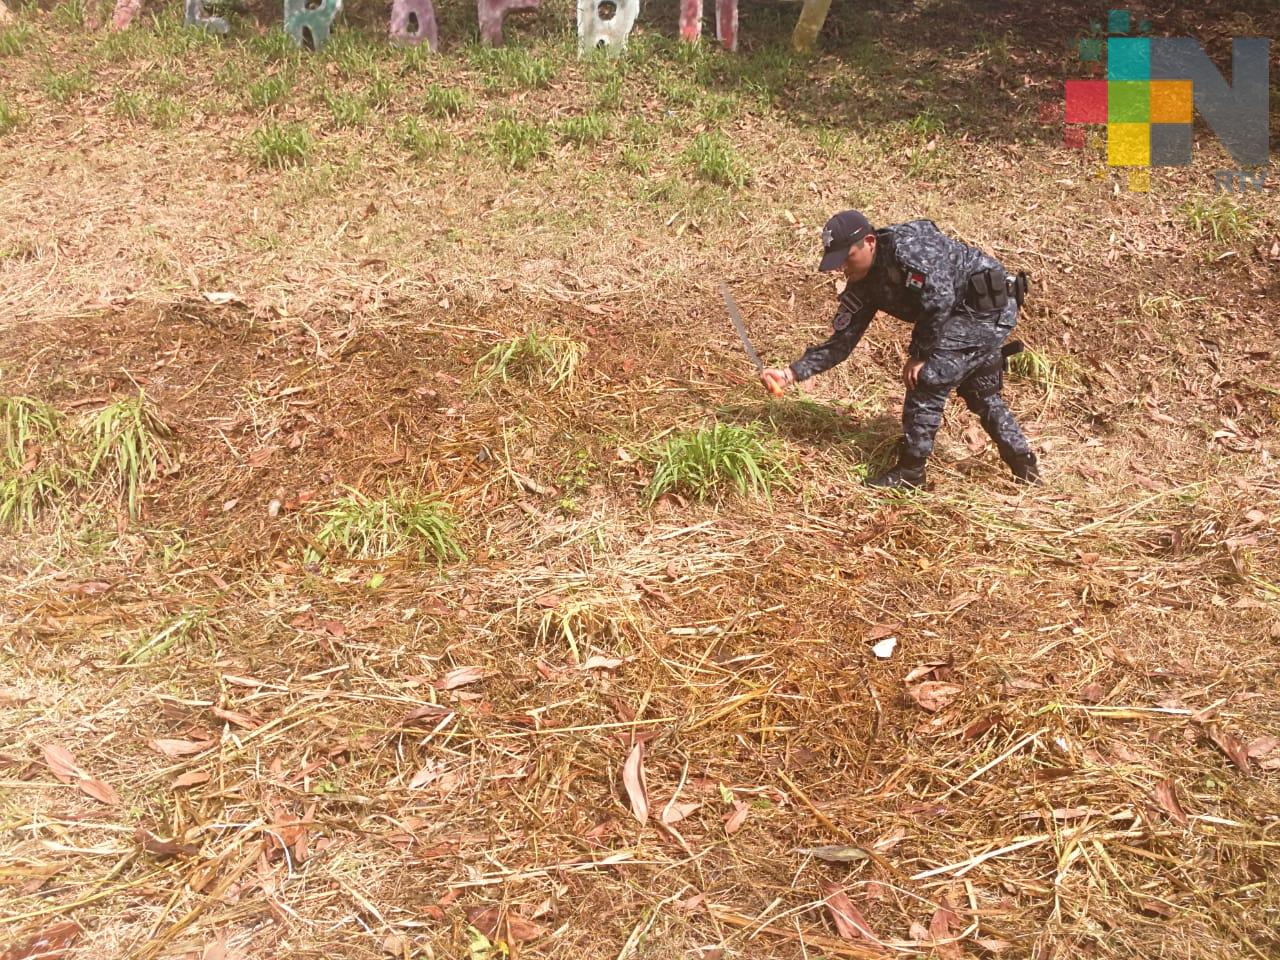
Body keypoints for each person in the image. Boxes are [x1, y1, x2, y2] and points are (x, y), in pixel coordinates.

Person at [761, 211, 1041, 488]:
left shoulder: (907, 249)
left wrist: (920, 355)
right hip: (960, 314)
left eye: (847, 256)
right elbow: (841, 344)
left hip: (986, 307)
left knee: (927, 378)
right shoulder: (863, 283)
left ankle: (911, 472)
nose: (842, 267)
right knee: (979, 391)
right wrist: (790, 373)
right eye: (837, 260)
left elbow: (940, 297)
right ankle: (1025, 467)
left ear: (869, 242)